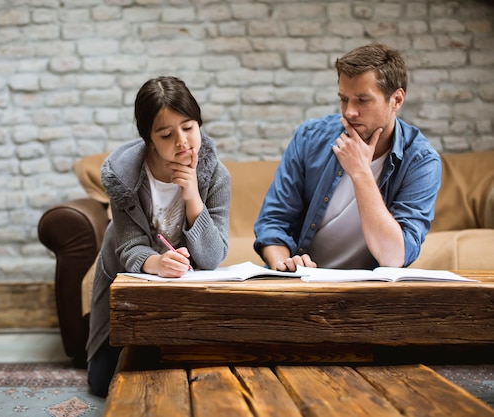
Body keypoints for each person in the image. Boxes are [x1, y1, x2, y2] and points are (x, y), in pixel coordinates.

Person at [86, 76, 230, 396]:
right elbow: (128, 247)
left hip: (180, 296)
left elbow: (212, 257)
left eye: (189, 127)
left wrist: (192, 197)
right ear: (149, 138)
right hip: (126, 286)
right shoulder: (123, 177)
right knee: (101, 382)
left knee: (182, 378)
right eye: (166, 134)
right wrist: (157, 263)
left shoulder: (216, 175)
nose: (182, 141)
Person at [254, 43, 441, 272]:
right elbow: (273, 222)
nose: (350, 111)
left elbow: (394, 256)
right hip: (301, 283)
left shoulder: (421, 162)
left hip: (367, 294)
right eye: (344, 99)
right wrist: (283, 264)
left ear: (397, 100)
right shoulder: (310, 138)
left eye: (362, 100)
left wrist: (361, 172)